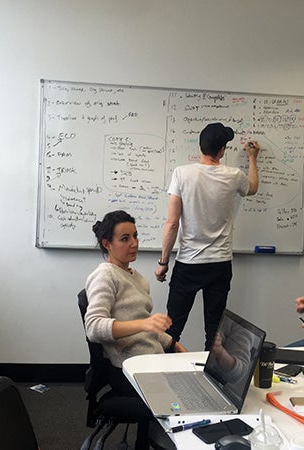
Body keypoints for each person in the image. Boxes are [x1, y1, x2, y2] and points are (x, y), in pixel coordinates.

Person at [155, 122, 260, 350]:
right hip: (219, 265)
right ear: (222, 150)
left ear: (201, 146)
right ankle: (210, 381)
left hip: (188, 264)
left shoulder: (181, 173)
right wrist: (252, 158)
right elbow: (252, 188)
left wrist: (163, 263)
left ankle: (163, 378)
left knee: (172, 329)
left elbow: (172, 223)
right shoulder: (233, 175)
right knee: (214, 331)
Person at [85, 210, 186, 399]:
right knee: (189, 394)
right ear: (107, 244)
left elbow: (143, 324)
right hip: (131, 371)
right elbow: (93, 327)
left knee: (198, 380)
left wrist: (174, 344)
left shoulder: (134, 276)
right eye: (125, 239)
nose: (134, 243)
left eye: (135, 236)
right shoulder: (105, 275)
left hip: (150, 362)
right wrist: (144, 324)